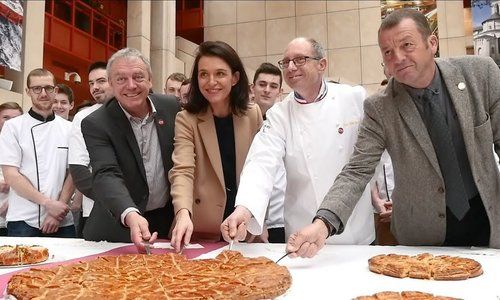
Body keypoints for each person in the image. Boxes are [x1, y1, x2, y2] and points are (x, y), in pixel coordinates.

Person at [288, 8, 500, 258]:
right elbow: (357, 171)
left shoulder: (480, 74)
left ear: (432, 43)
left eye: (407, 45)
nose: (397, 57)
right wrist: (323, 224)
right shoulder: (380, 107)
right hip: (421, 236)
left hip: (487, 218)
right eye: (387, 52)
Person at [221, 37, 374, 246]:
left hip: (354, 231)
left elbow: (376, 154)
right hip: (303, 232)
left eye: (300, 59)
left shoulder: (354, 98)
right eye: (286, 62)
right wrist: (244, 209)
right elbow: (261, 161)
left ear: (322, 65)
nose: (291, 67)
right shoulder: (279, 114)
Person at [81, 48, 180, 252]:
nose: (131, 85)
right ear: (110, 83)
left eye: (138, 77)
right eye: (121, 79)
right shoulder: (96, 123)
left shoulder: (172, 108)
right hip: (117, 229)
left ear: (150, 80)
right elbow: (106, 174)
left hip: (167, 224)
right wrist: (130, 213)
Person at [168, 41, 262, 252]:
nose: (211, 82)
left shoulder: (252, 114)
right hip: (199, 229)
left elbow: (261, 169)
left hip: (243, 226)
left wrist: (256, 217)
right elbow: (182, 170)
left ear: (235, 78)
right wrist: (183, 213)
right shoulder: (186, 119)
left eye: (220, 73)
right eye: (203, 74)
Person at [0, 68, 75, 237]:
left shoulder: (70, 129)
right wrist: (48, 203)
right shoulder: (13, 127)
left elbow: (74, 173)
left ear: (55, 91)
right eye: (37, 89)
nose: (43, 93)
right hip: (23, 219)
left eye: (48, 88)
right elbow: (11, 175)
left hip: (62, 219)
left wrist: (58, 210)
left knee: (70, 264)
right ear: (28, 91)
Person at [68, 61, 114, 238]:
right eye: (91, 83)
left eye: (101, 81)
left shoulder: (132, 112)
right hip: (96, 209)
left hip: (139, 209)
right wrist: (112, 200)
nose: (95, 87)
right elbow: (78, 169)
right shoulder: (83, 117)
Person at [250, 62, 286, 243]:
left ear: (280, 92)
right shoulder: (241, 122)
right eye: (262, 84)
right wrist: (256, 218)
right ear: (252, 88)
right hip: (251, 214)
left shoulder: (287, 121)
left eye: (273, 86)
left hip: (282, 217)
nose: (267, 90)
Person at [0, 102, 23, 236]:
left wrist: (10, 204)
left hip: (15, 218)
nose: (10, 122)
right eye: (6, 117)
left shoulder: (27, 145)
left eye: (15, 118)